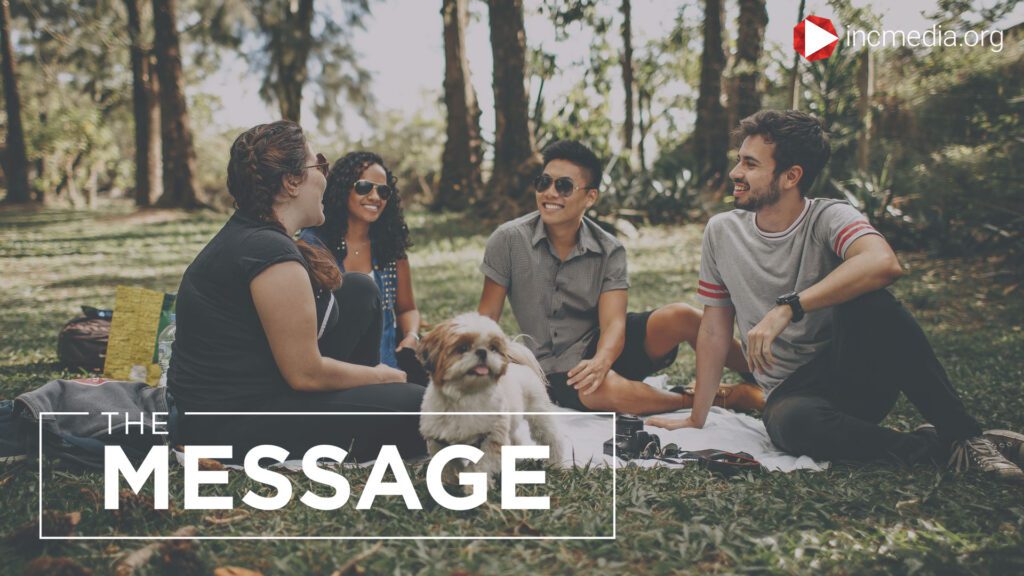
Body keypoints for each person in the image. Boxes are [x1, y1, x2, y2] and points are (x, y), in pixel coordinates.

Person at [647, 110, 1024, 482]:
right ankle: (936, 449)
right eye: (738, 161)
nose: (735, 173)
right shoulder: (722, 232)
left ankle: (965, 436)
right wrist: (698, 417)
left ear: (792, 175)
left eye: (749, 163)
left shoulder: (830, 217)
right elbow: (714, 330)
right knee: (793, 426)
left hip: (855, 374)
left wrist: (789, 307)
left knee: (873, 301)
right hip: (791, 395)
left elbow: (883, 262)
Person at [168, 121, 425, 462]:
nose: (325, 175)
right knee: (424, 408)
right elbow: (305, 374)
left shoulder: (257, 237)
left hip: (259, 391)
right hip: (231, 424)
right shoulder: (268, 253)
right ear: (291, 182)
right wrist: (380, 376)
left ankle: (363, 401)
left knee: (359, 290)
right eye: (318, 164)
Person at [477, 139, 760, 415]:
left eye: (563, 186)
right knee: (603, 390)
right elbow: (487, 316)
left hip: (604, 346)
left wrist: (601, 360)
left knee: (682, 316)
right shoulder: (509, 240)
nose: (550, 193)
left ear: (590, 197)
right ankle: (721, 398)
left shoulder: (609, 249)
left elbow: (613, 323)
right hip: (553, 368)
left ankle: (763, 375)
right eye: (544, 182)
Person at [298, 152, 425, 381]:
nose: (376, 196)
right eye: (365, 187)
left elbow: (406, 309)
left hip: (389, 369)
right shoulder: (313, 244)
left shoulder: (390, 247)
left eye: (383, 191)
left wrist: (411, 336)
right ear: (343, 188)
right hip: (336, 371)